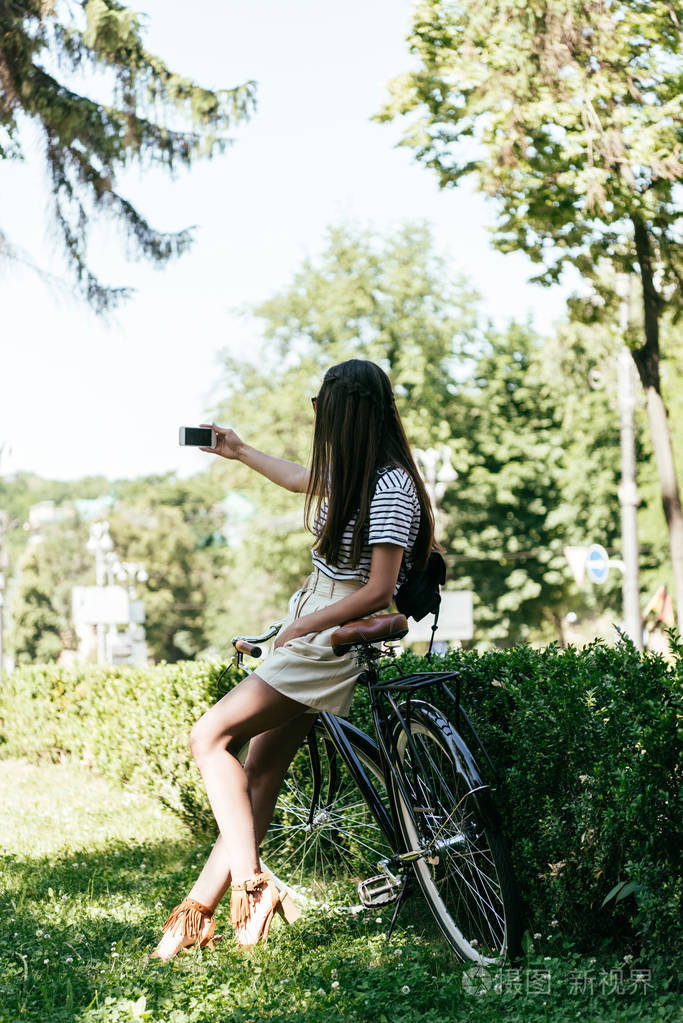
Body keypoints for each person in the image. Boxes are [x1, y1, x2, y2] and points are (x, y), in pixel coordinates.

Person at [151, 358, 438, 959]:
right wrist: (239, 451)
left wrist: (304, 626)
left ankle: (254, 888)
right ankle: (196, 917)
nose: (318, 420)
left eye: (323, 409)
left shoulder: (390, 487)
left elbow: (378, 591)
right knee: (258, 774)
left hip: (328, 637)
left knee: (209, 737)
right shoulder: (357, 472)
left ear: (348, 415)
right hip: (315, 620)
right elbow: (301, 479)